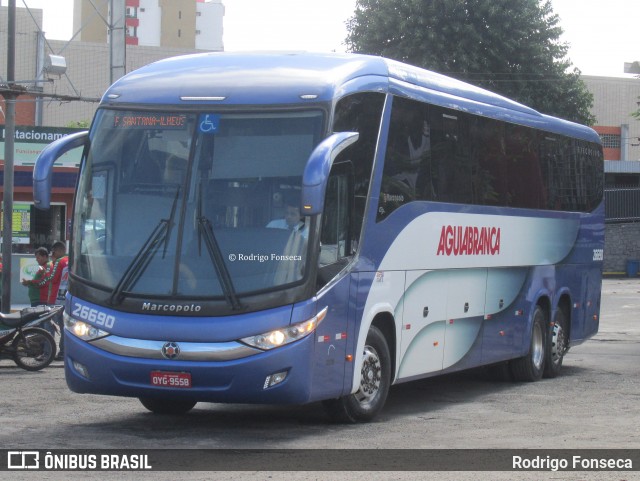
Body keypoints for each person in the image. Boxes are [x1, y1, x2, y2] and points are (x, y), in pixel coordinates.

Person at [29, 241, 69, 360]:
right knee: (64, 327)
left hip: (55, 299)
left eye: (54, 252)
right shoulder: (70, 261)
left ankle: (47, 353)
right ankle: (63, 352)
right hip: (65, 299)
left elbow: (52, 278)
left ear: (59, 251)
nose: (53, 254)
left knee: (48, 326)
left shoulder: (59, 261)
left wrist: (37, 279)